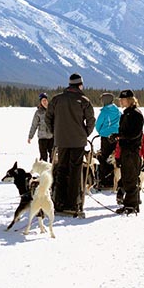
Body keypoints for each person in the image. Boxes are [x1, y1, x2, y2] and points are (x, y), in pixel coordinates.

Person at [45, 72, 95, 217]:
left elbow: (48, 118)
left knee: (61, 169)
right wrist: (85, 133)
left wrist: (56, 132)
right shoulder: (84, 100)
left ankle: (58, 202)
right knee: (75, 171)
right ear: (80, 85)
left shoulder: (56, 99)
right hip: (78, 142)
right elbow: (91, 121)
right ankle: (73, 203)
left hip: (61, 141)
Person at [115, 89, 144, 214]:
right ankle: (131, 204)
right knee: (127, 177)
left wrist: (121, 136)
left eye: (123, 99)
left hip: (132, 150)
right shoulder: (126, 114)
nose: (120, 101)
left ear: (130, 100)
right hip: (126, 149)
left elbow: (135, 134)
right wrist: (117, 136)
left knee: (131, 178)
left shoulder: (135, 114)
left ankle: (131, 205)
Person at [94, 92, 120, 190]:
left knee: (105, 157)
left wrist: (101, 132)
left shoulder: (104, 112)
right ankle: (115, 179)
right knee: (115, 157)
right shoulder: (117, 110)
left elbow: (98, 124)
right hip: (117, 137)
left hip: (106, 137)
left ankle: (105, 180)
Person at [27, 92, 54, 161]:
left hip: (52, 137)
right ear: (40, 102)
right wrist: (30, 136)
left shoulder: (53, 110)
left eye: (45, 100)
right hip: (42, 138)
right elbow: (34, 125)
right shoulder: (38, 112)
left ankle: (52, 170)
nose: (44, 102)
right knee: (43, 157)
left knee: (53, 156)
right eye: (43, 101)